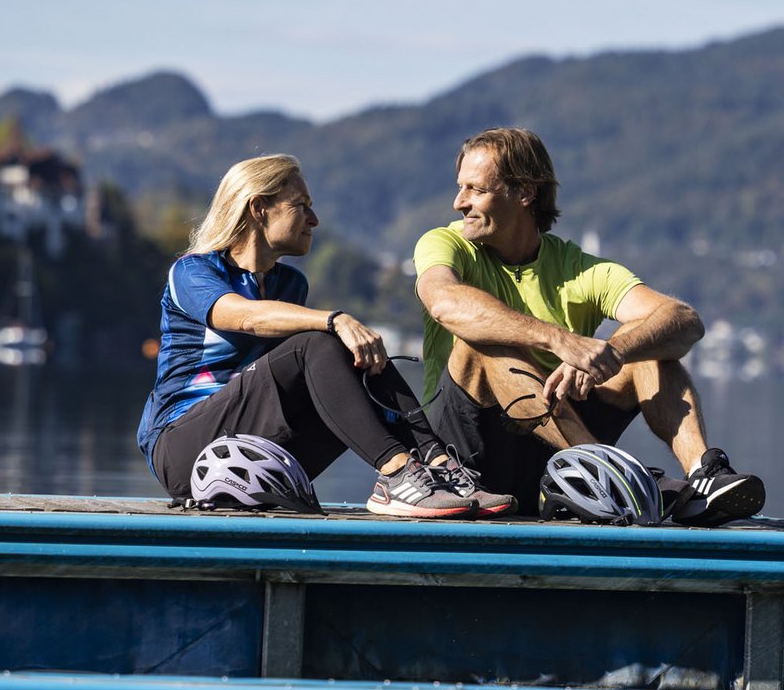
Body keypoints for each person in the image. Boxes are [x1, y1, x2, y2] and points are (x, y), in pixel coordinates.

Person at [413, 127, 765, 525]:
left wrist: (614, 353)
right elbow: (444, 302)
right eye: (461, 187)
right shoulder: (445, 243)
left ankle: (703, 479)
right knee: (481, 343)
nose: (459, 202)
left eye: (476, 189)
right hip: (463, 463)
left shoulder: (577, 269)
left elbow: (685, 321)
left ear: (524, 193)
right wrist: (562, 342)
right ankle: (610, 476)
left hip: (552, 461)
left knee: (648, 348)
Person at [137, 154, 513, 519]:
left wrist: (343, 339)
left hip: (248, 451)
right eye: (301, 205)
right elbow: (243, 316)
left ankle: (437, 466)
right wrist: (332, 320)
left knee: (352, 362)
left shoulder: (289, 284)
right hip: (183, 452)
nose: (314, 220)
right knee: (317, 342)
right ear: (258, 209)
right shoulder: (193, 272)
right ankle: (397, 474)